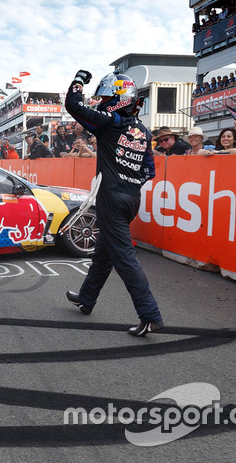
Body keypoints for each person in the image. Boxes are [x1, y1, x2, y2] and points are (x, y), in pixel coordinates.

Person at [64, 70, 163, 336]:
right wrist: (127, 183)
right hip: (132, 200)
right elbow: (149, 172)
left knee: (124, 259)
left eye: (107, 95)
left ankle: (150, 315)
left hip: (111, 198)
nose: (103, 100)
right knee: (104, 253)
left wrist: (79, 80)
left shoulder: (111, 121)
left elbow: (73, 105)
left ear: (120, 97)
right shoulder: (143, 131)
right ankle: (87, 298)